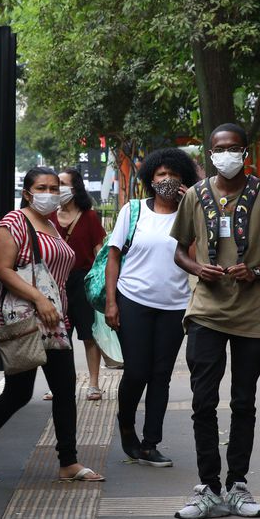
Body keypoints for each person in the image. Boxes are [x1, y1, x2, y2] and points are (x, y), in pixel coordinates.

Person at [170, 124, 260, 519]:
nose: (226, 155)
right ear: (210, 153)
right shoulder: (195, 195)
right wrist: (198, 268)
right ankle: (208, 487)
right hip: (206, 310)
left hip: (252, 313)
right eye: (218, 148)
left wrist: (257, 272)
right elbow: (179, 252)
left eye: (233, 148)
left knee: (244, 401)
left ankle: (237, 485)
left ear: (246, 152)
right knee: (203, 401)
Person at [0, 167, 104, 483]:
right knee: (18, 393)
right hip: (27, 319)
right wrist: (39, 299)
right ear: (26, 192)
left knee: (64, 390)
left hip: (54, 320)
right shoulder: (14, 223)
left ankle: (69, 463)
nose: (50, 193)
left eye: (54, 187)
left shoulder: (50, 224)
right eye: (42, 187)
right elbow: (2, 270)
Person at [104, 148, 197, 468]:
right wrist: (111, 302)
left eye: (174, 175)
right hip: (133, 300)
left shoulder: (190, 213)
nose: (167, 180)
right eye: (161, 175)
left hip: (174, 305)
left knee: (161, 376)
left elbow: (196, 260)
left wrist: (191, 208)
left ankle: (150, 443)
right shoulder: (132, 211)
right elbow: (113, 256)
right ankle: (126, 424)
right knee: (137, 371)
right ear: (150, 179)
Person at [53, 167, 107, 400]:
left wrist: (104, 283)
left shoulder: (90, 217)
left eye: (62, 185)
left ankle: (93, 385)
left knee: (88, 335)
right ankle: (59, 386)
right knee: (58, 337)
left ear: (75, 189)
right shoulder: (49, 217)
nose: (58, 190)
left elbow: (100, 253)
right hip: (55, 282)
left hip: (83, 282)